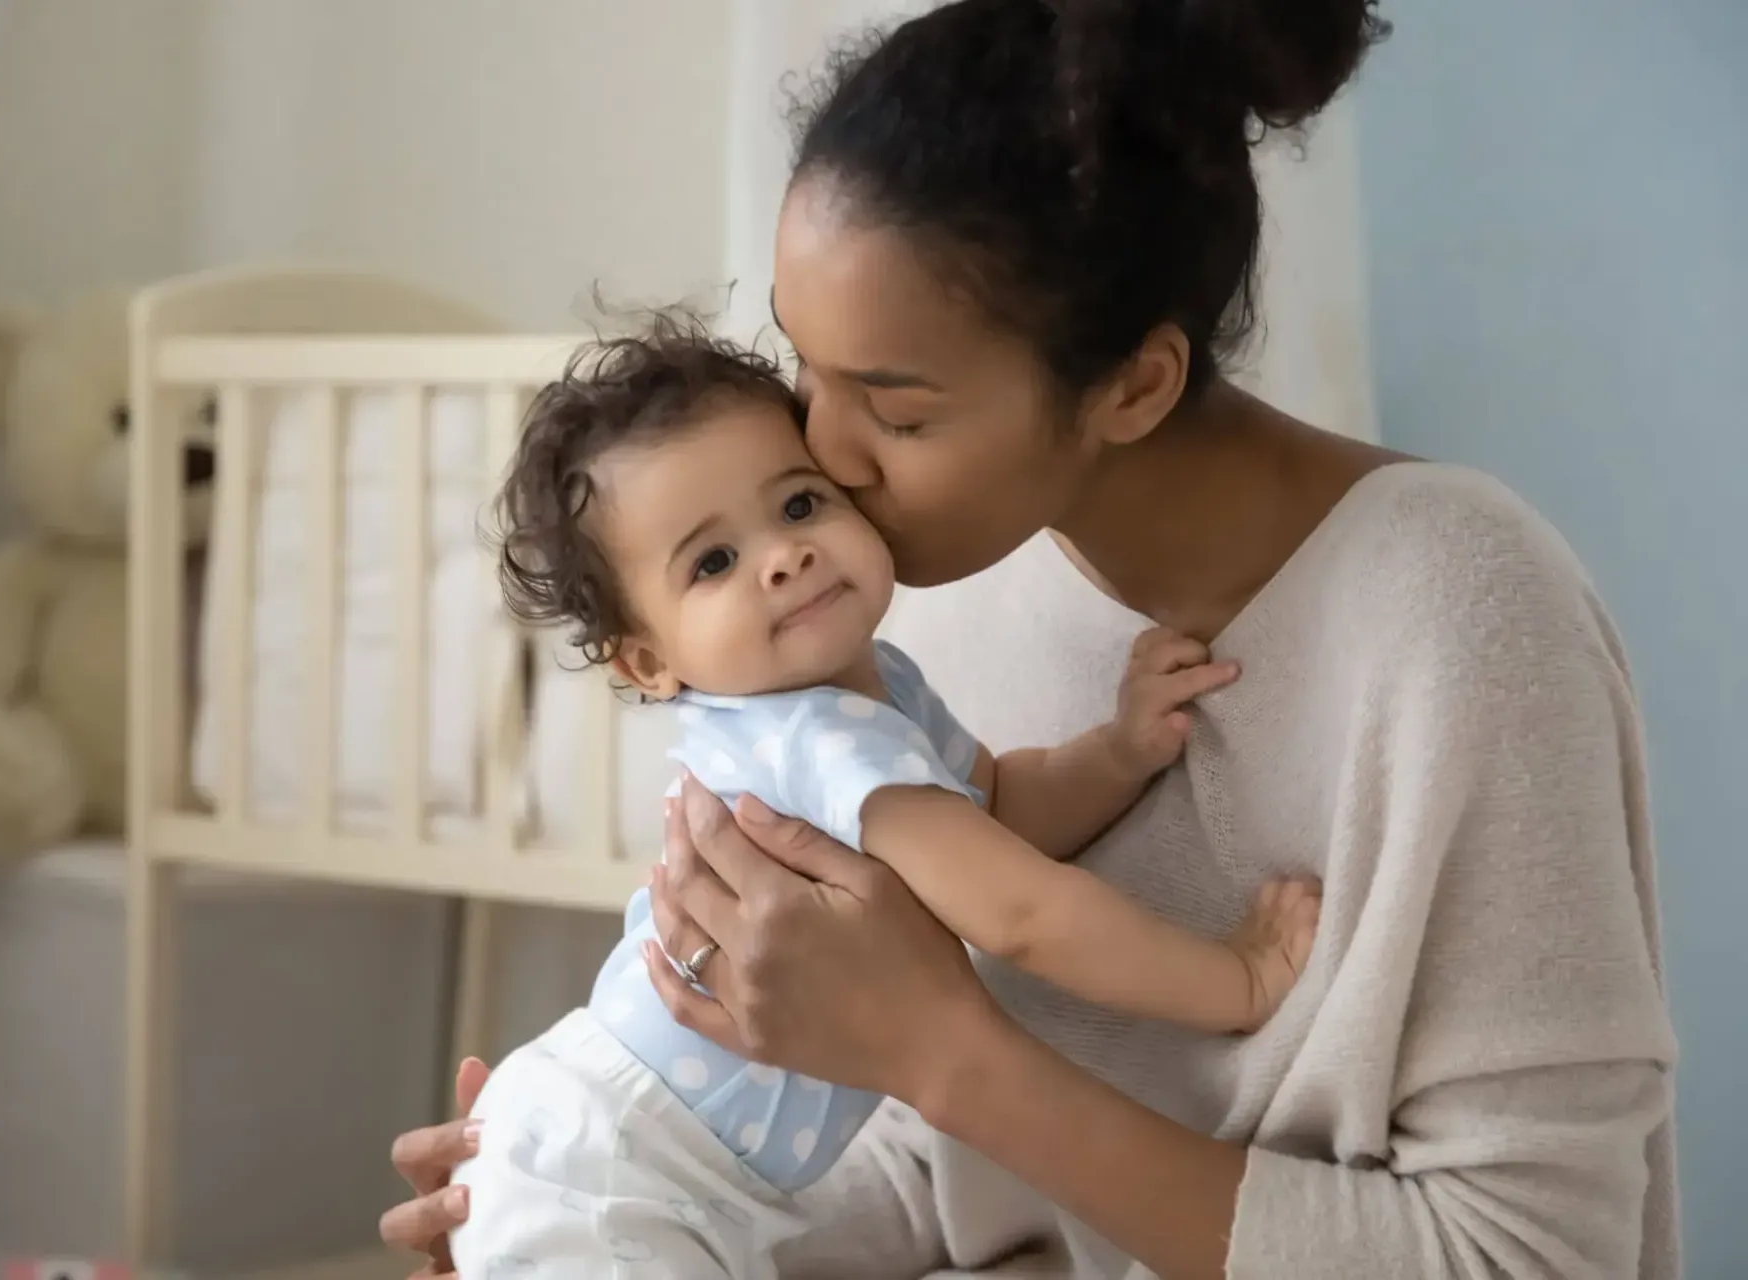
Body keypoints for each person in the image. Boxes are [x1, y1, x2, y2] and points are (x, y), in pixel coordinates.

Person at [382, 0, 1681, 1276]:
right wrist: (609, 1197)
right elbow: (942, 1175)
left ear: (1133, 386)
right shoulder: (911, 590)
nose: (820, 460)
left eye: (892, 410)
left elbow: (1533, 1256)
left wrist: (949, 1054)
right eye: (802, 369)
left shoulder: (1458, 608)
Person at [446, 313, 1319, 1275]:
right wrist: (1233, 981)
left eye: (800, 504)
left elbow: (996, 808)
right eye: (714, 563)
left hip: (631, 1161)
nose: (784, 555)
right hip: (619, 1169)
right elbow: (1022, 911)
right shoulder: (818, 739)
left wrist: (1117, 751)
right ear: (653, 661)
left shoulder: (877, 686)